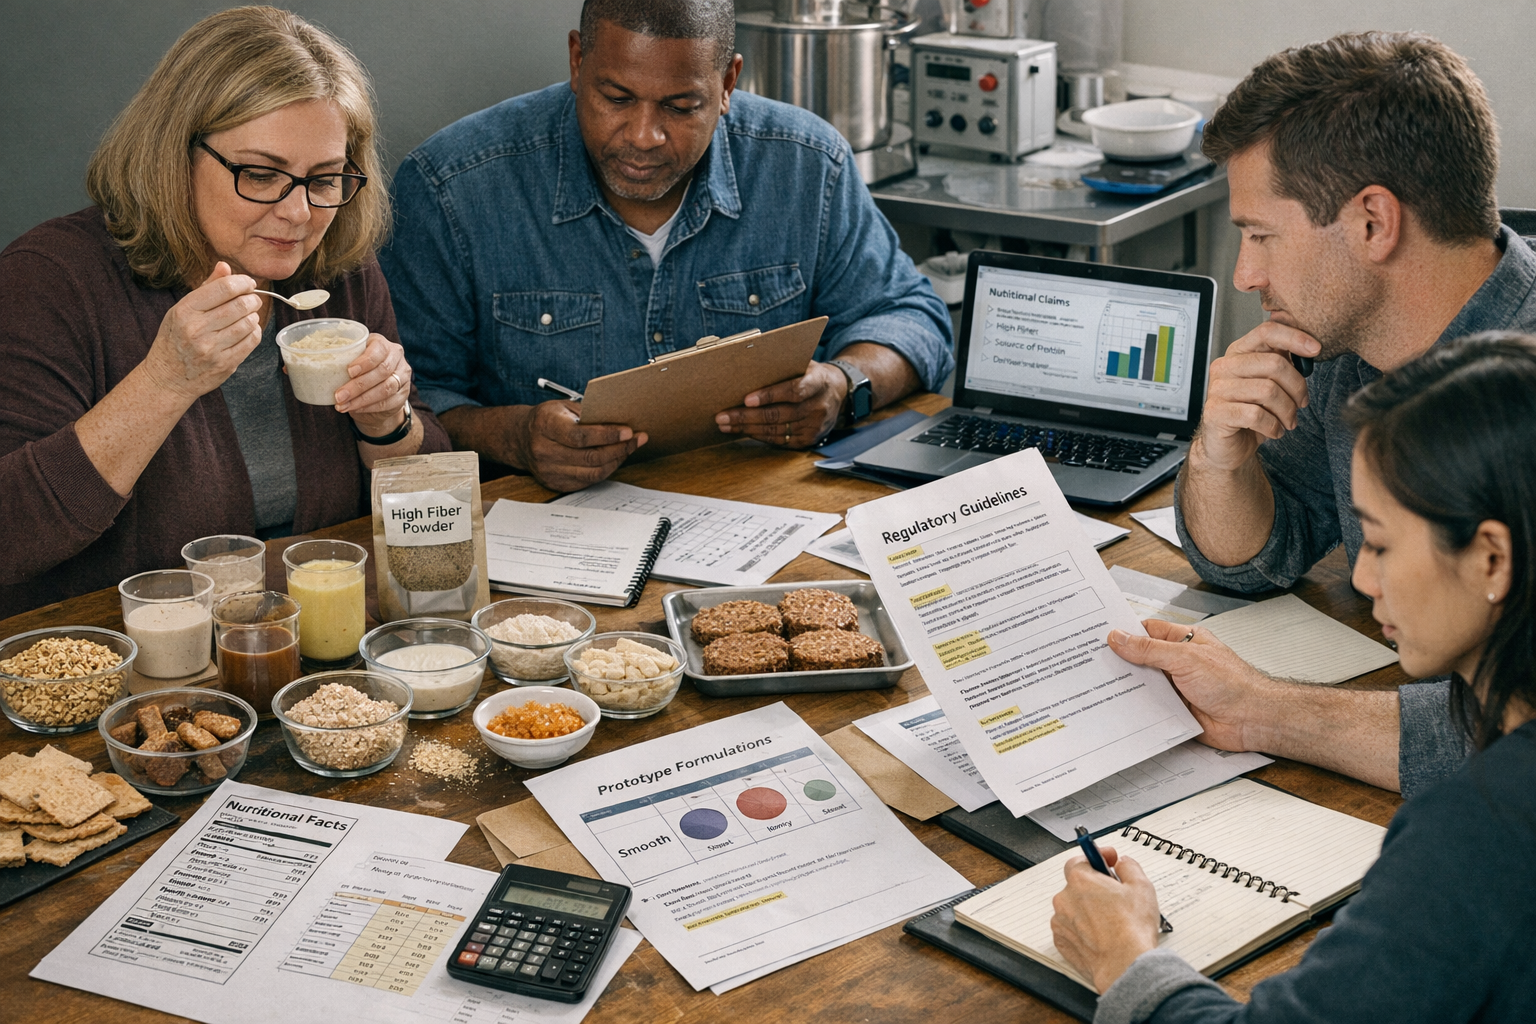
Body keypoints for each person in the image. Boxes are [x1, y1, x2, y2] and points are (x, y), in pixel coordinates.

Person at [1053, 333, 1536, 1023]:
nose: (1363, 579)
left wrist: (1125, 959)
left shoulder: (1476, 839)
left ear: (1492, 558)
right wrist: (1257, 709)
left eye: (1382, 543)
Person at [1147, 31, 1536, 796]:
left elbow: (1520, 733)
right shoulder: (1344, 347)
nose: (1246, 274)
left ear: (1372, 224)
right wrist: (1218, 458)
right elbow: (1260, 559)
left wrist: (1263, 711)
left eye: (1261, 235)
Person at [380, 0, 953, 493]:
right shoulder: (453, 185)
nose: (644, 137)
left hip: (763, 506)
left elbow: (912, 320)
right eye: (617, 97)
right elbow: (412, 399)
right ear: (578, 61)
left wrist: (841, 384)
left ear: (728, 84)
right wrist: (517, 437)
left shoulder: (807, 164)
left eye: (681, 107)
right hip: (544, 535)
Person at [0, 6, 448, 618]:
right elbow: (11, 536)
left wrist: (388, 422)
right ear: (174, 154)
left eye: (324, 178)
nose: (298, 213)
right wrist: (166, 381)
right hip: (126, 666)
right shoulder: (50, 281)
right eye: (261, 175)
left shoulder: (334, 269)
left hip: (320, 649)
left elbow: (433, 516)